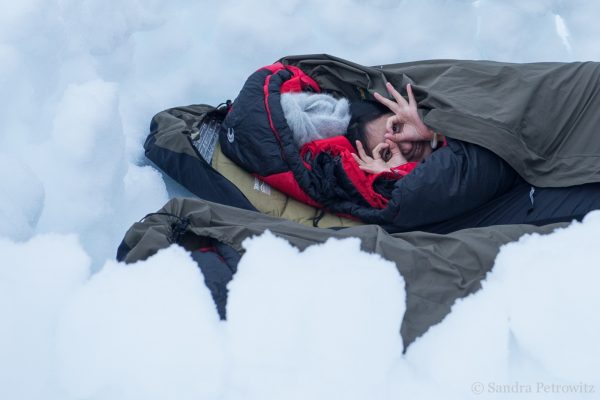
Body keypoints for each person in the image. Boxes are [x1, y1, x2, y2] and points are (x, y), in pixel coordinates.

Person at [346, 82, 600, 233]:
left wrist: (435, 127)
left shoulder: (456, 120)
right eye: (387, 153)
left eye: (397, 127)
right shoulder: (417, 202)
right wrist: (401, 175)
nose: (404, 144)